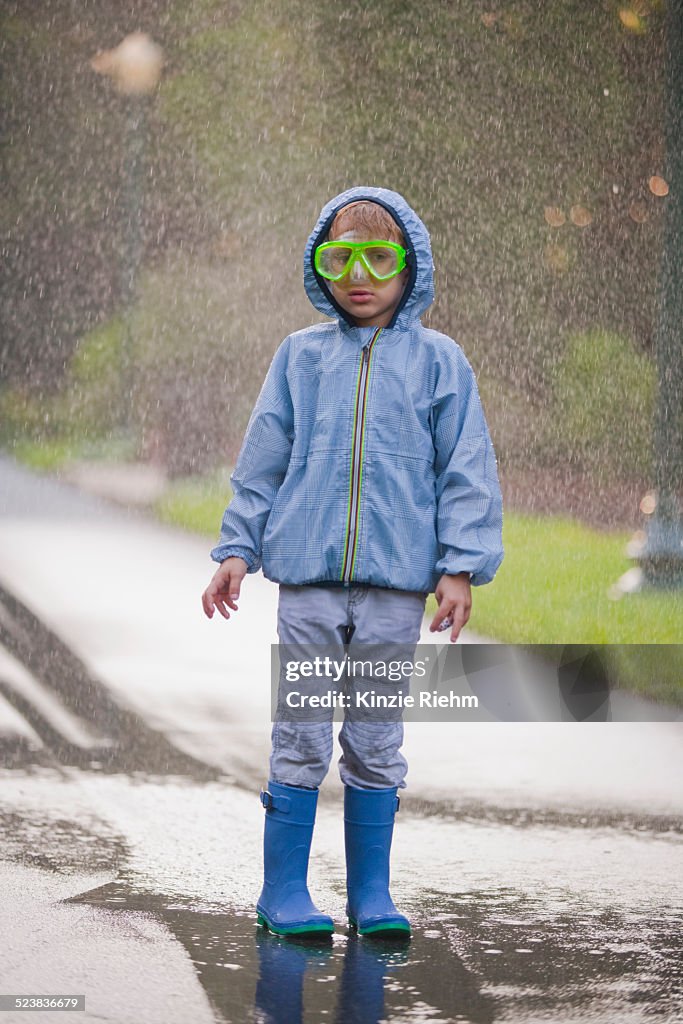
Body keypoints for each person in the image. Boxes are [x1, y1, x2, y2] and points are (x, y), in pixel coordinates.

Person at [202, 186, 504, 938]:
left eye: (379, 257)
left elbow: (464, 468)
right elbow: (262, 459)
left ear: (412, 267)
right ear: (319, 265)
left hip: (395, 591)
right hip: (306, 582)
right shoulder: (300, 358)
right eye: (340, 259)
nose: (359, 275)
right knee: (301, 728)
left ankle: (371, 895)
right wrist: (238, 547)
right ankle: (283, 892)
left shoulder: (440, 364)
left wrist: (459, 564)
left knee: (375, 734)